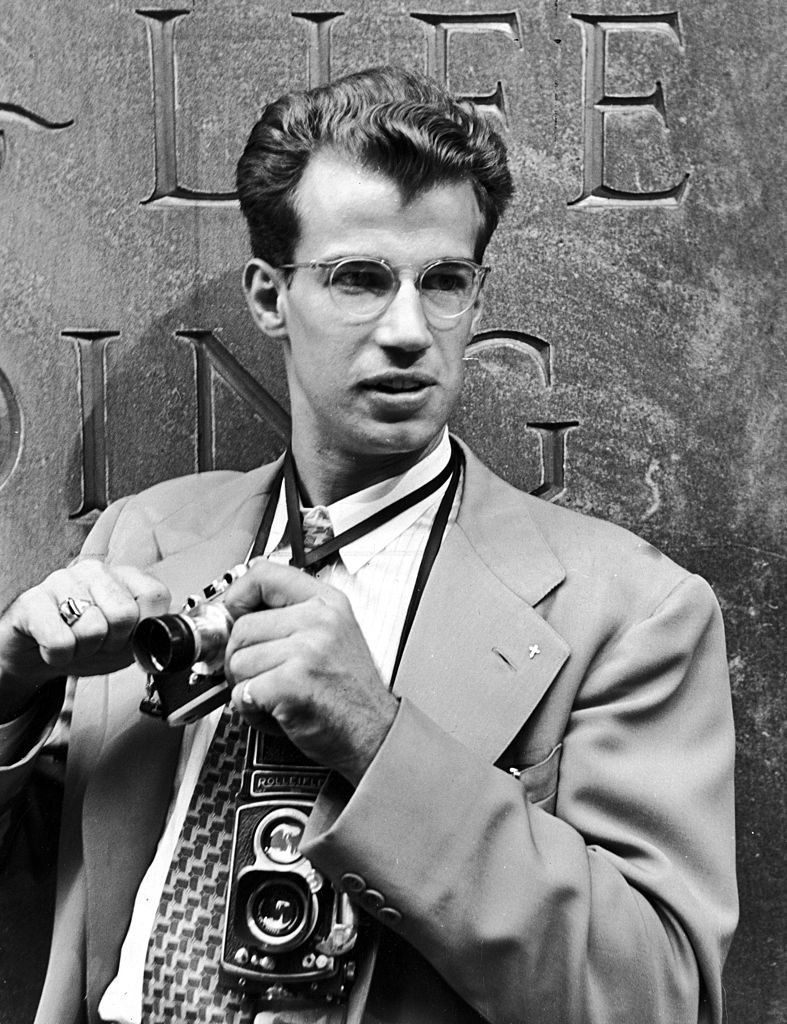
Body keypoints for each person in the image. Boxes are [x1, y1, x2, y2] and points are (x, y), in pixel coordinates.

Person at [0, 66, 736, 1024]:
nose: (407, 330)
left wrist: (380, 738)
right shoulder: (147, 535)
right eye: (358, 278)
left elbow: (659, 996)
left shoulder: (633, 613)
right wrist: (9, 687)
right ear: (269, 296)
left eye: (444, 282)